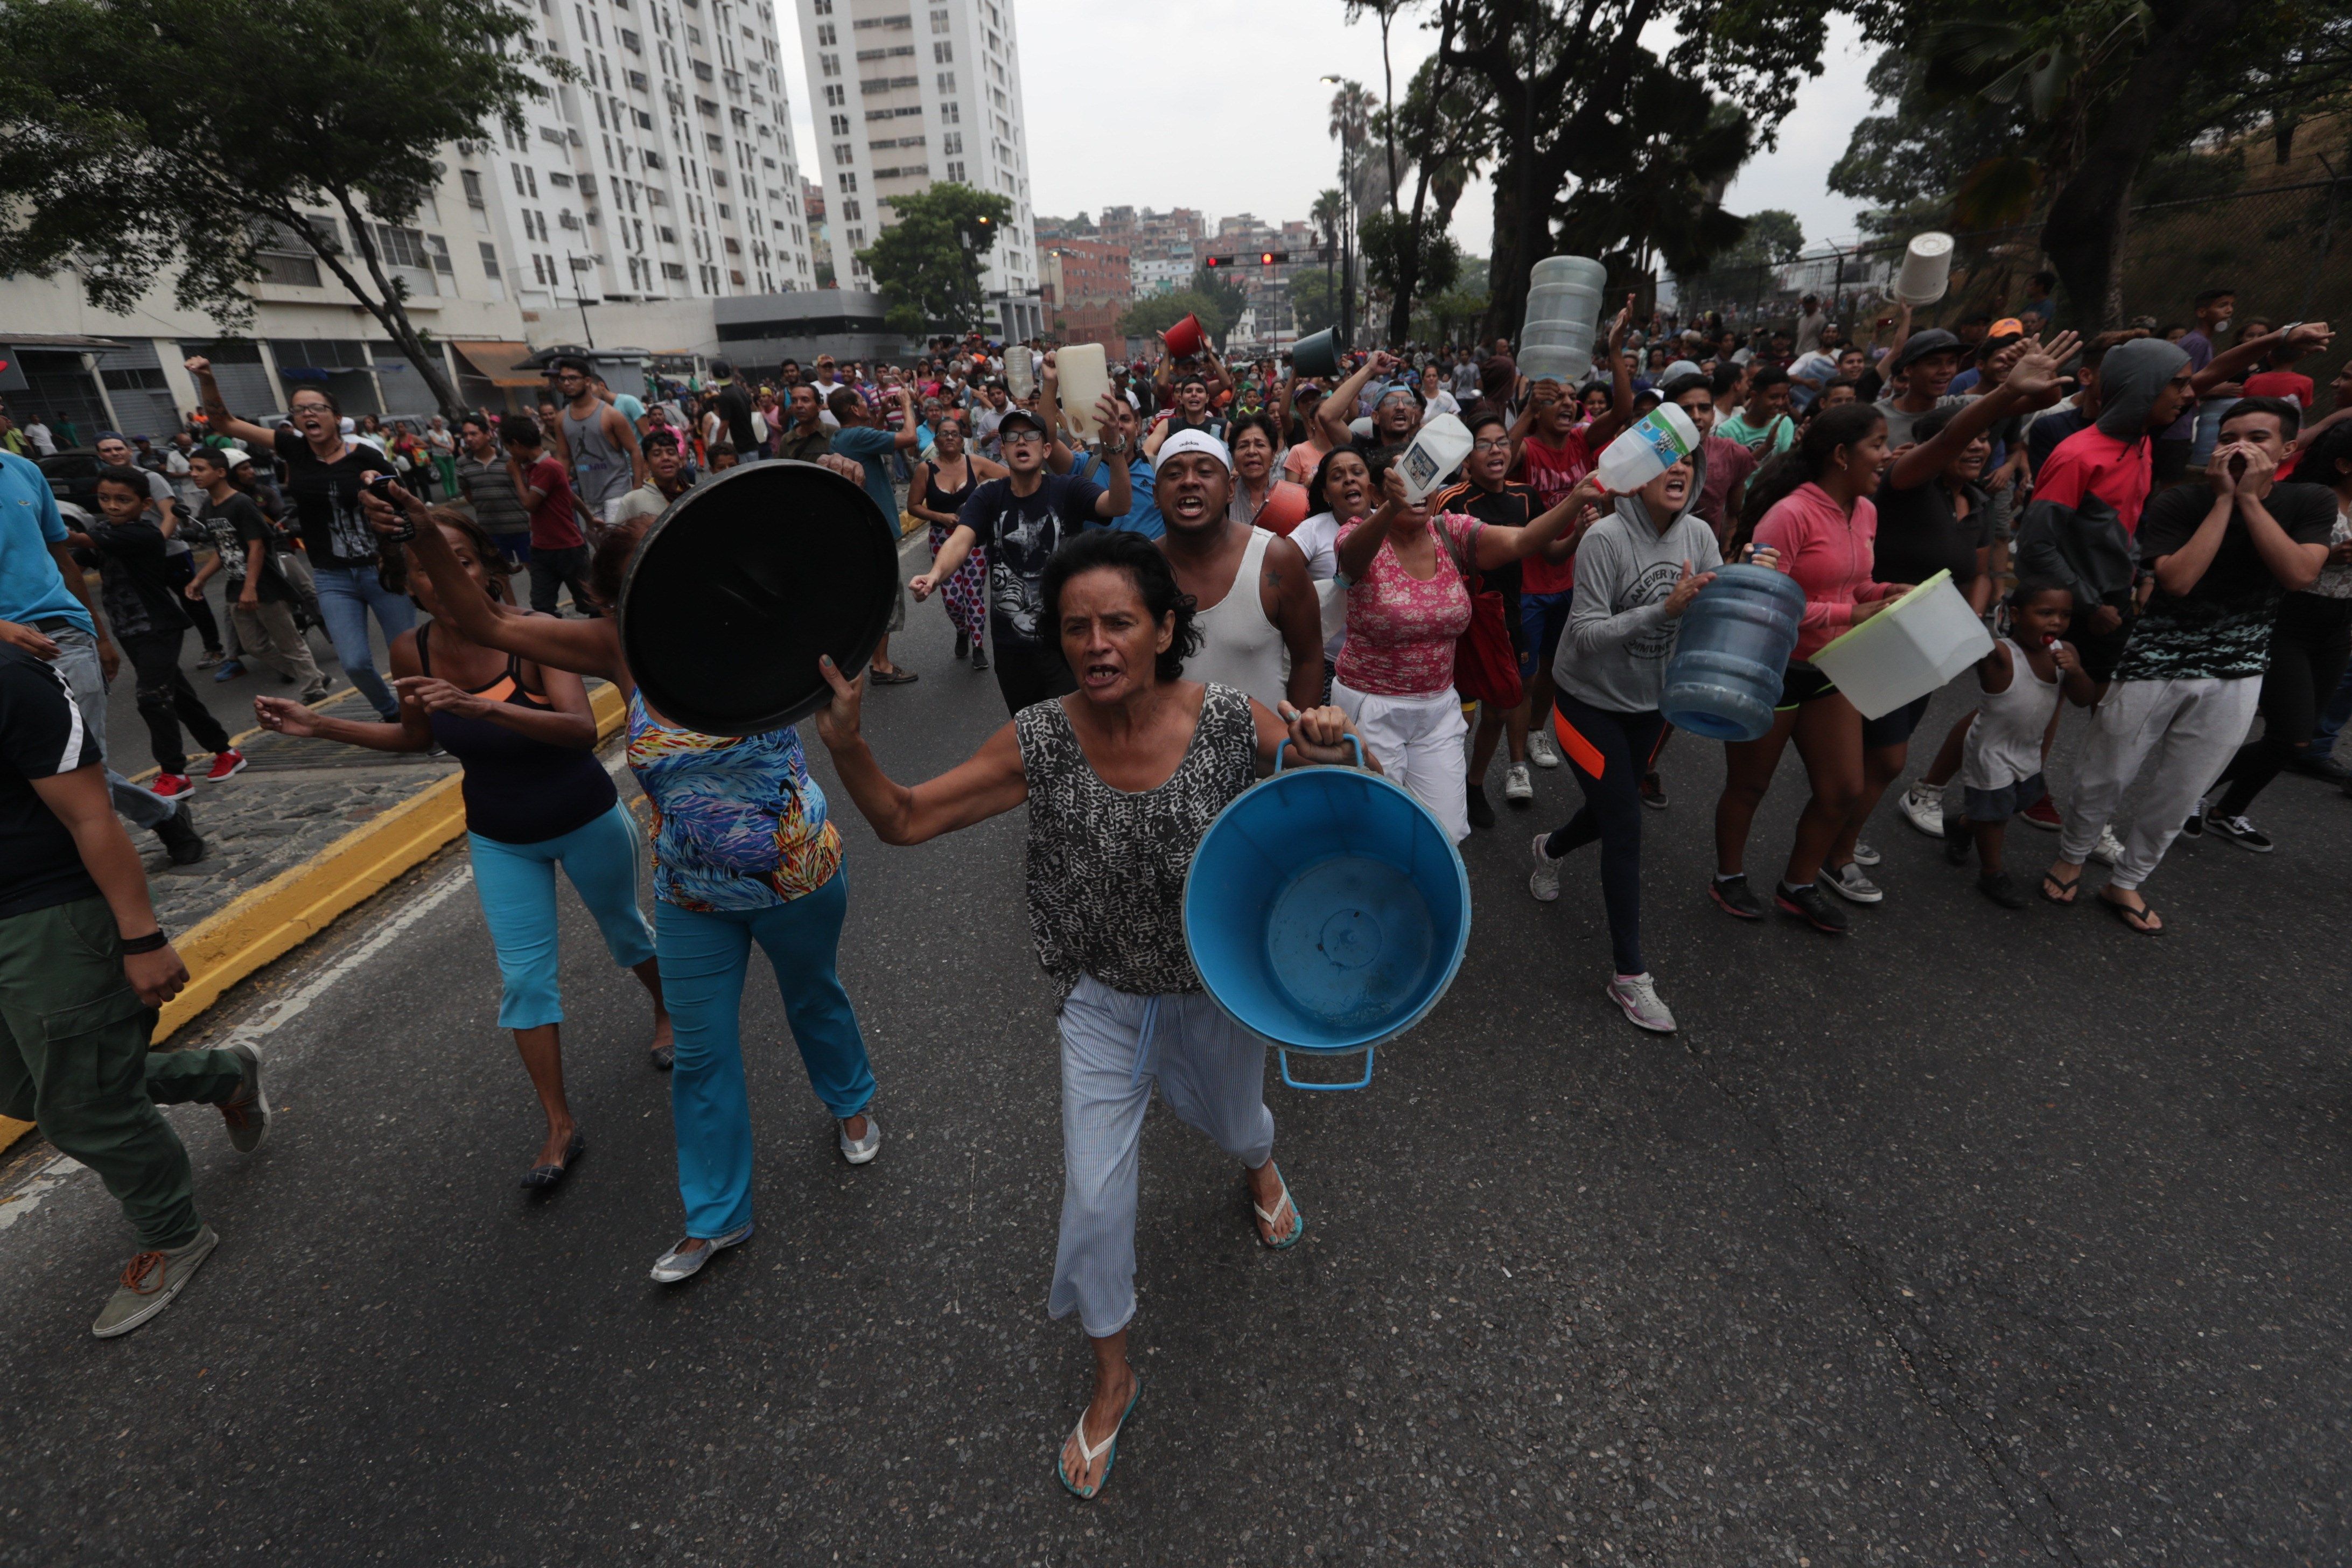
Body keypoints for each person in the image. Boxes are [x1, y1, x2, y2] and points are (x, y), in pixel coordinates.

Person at [811, 528, 1369, 1500]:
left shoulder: (1235, 723)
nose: (1096, 642)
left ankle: (1257, 1157)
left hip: (1214, 992)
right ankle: (1114, 1367)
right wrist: (850, 744)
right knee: (1096, 1196)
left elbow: (1351, 820)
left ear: (1164, 629)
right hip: (1101, 1002)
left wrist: (1334, 747)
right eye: (1076, 627)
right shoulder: (1039, 739)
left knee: (1235, 1121)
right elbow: (902, 820)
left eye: (1119, 621)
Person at [363, 472, 885, 1282]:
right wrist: (419, 530)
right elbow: (485, 616)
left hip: (797, 875)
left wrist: (831, 496)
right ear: (619, 597)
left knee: (813, 999)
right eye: (649, 574)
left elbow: (837, 568)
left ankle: (850, 1102)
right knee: (703, 1055)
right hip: (691, 895)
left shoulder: (767, 622)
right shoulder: (619, 647)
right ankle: (715, 1217)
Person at [254, 510, 669, 1182]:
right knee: (526, 978)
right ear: (409, 582)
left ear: (485, 566)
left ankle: (665, 1008)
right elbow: (417, 738)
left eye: (460, 559)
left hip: (583, 812)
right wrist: (319, 725)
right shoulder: (410, 651)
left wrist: (483, 707)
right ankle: (559, 1123)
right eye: (421, 565)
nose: (442, 576)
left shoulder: (533, 636)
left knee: (626, 931)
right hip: (500, 834)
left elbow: (577, 728)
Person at [0, 635, 265, 1336]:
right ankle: (224, 1074)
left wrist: (140, 932)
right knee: (27, 1091)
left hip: (44, 914)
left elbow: (92, 811)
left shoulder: (11, 678)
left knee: (84, 1109)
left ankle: (176, 1236)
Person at [2042, 400, 2335, 930]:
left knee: (2184, 787)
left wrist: (2251, 502)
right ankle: (2072, 854)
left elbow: (2297, 573)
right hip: (2157, 654)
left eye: (2259, 437)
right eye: (2228, 436)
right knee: (2106, 769)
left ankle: (2126, 881)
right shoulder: (2183, 502)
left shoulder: (2310, 500)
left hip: (2239, 669)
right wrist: (2226, 501)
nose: (2240, 446)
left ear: (2288, 450)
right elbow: (2177, 581)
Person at [1822, 334, 2076, 904]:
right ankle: (1830, 855)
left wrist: (1973, 623)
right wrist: (2004, 393)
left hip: (1929, 646)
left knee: (1876, 762)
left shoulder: (1978, 504)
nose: (1979, 446)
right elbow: (1951, 434)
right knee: (1878, 759)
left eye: (1988, 438)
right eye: (1968, 436)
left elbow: (1978, 571)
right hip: (1875, 634)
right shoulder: (1906, 485)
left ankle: (1840, 838)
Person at [1527, 452, 1724, 1032]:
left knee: (1612, 811)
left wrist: (1748, 579)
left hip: (1650, 708)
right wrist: (1662, 609)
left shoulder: (1700, 533)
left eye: (1689, 462)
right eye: (1666, 462)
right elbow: (1584, 635)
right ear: (1636, 477)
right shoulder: (1605, 539)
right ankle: (1629, 976)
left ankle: (1550, 848)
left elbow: (1711, 609)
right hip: (1586, 705)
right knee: (1625, 824)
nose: (1680, 471)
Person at [1709, 404, 1904, 934]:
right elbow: (1763, 601)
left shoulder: (1865, 511)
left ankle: (1798, 885)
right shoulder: (1790, 514)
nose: (1887, 455)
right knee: (1750, 785)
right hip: (1772, 667)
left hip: (1830, 665)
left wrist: (1885, 593)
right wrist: (1851, 612)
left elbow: (1854, 585)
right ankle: (1728, 875)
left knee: (1843, 786)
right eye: (1877, 444)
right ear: (1842, 455)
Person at [1333, 463, 1594, 840]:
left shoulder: (1450, 530)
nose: (1418, 492)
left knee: (1447, 831)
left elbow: (1522, 542)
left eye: (1427, 483)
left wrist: (1576, 499)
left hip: (1439, 707)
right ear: (1379, 492)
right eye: (1407, 483)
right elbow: (1351, 562)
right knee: (1377, 832)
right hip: (1371, 706)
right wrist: (1390, 508)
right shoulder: (1357, 534)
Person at [186, 359, 414, 722]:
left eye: (317, 408)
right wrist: (208, 380)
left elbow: (405, 506)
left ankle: (425, 720)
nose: (309, 413)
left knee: (408, 659)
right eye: (300, 409)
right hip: (332, 577)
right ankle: (391, 714)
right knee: (355, 663)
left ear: (336, 417)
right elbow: (223, 423)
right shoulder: (293, 449)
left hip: (381, 571)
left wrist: (379, 484)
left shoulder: (366, 456)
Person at [2185, 410, 2352, 846]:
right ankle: (2186, 794)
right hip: (2291, 618)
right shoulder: (2312, 500)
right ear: (2344, 463)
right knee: (2292, 734)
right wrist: (2329, 559)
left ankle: (2229, 810)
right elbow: (2273, 561)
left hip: (2338, 628)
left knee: (2295, 739)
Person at [914, 398, 1132, 714]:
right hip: (1010, 644)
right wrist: (935, 576)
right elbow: (961, 539)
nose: (1021, 442)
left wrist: (1114, 448)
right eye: (1012, 437)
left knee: (1075, 725)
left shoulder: (1068, 488)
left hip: (1067, 638)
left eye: (1031, 436)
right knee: (1027, 727)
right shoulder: (989, 496)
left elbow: (1118, 505)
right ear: (1002, 451)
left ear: (1046, 450)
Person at [74, 468, 243, 796]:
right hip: (129, 630)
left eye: (123, 500)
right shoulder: (106, 530)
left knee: (152, 699)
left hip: (158, 627)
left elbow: (78, 540)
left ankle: (174, 774)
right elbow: (76, 560)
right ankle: (226, 752)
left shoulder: (143, 533)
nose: (112, 506)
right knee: (177, 696)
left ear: (145, 503)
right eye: (104, 499)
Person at [1430, 411, 1563, 823]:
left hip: (1508, 616)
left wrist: (1580, 532)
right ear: (1466, 458)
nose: (1495, 451)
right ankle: (1442, 786)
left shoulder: (1526, 496)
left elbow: (1551, 552)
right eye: (1484, 443)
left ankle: (1474, 785)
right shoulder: (1449, 500)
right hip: (1460, 622)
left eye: (1502, 442)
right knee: (1457, 716)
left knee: (1500, 709)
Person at [1941, 581, 2097, 906]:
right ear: (2016, 614)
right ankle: (1992, 874)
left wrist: (2077, 672)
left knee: (2020, 800)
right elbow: (1964, 642)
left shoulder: (2065, 653)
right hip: (1991, 750)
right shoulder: (2000, 654)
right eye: (2045, 613)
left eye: (2065, 615)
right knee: (1997, 814)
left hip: (2027, 749)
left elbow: (2084, 701)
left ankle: (1963, 824)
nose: (2056, 621)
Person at [1146, 429, 1322, 713]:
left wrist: (1291, 744)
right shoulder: (1140, 570)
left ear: (1230, 489)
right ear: (1156, 495)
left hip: (1263, 755)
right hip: (1168, 754)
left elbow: (1309, 659)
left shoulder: (1275, 558)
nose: (1190, 481)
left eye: (1205, 471)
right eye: (1174, 474)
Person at [186, 446, 327, 702]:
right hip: (236, 584)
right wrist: (200, 578)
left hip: (263, 584)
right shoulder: (210, 506)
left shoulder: (241, 503)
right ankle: (313, 674)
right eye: (191, 469)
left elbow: (257, 546)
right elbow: (223, 549)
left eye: (200, 469)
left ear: (220, 472)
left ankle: (313, 688)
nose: (193, 474)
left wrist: (251, 587)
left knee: (289, 641)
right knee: (253, 645)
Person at [829, 386, 922, 685]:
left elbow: (872, 433)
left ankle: (876, 661)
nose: (868, 405)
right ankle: (881, 665)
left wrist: (881, 413)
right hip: (878, 529)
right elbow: (910, 438)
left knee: (875, 595)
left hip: (866, 529)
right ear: (855, 410)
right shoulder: (857, 437)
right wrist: (907, 404)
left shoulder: (843, 436)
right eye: (864, 403)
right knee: (887, 598)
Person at [906, 409, 1005, 671]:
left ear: (963, 440)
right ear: (936, 441)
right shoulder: (925, 470)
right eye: (944, 434)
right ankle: (962, 630)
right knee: (951, 598)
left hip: (975, 540)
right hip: (941, 539)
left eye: (955, 434)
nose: (950, 438)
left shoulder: (976, 463)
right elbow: (914, 506)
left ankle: (978, 645)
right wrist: (939, 515)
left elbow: (1011, 478)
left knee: (974, 593)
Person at [500, 415, 596, 618]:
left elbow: (530, 504)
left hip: (568, 548)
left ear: (516, 444)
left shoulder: (548, 467)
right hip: (542, 549)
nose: (511, 455)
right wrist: (589, 518)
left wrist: (516, 474)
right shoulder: (535, 468)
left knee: (590, 603)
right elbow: (569, 495)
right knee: (542, 607)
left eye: (509, 449)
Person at [456, 412, 532, 567]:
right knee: (500, 577)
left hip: (520, 527)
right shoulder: (462, 464)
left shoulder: (509, 459)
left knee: (535, 571)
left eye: (474, 434)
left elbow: (525, 488)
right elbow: (468, 493)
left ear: (487, 435)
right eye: (465, 435)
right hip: (490, 532)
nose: (469, 439)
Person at [611, 429, 698, 527]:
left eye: (671, 453)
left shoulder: (695, 493)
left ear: (679, 459)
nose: (665, 458)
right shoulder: (632, 501)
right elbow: (618, 539)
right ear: (647, 463)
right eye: (657, 454)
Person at [1715, 366, 1796, 453]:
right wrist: (1765, 448)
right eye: (1774, 397)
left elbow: (1783, 464)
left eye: (1784, 397)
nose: (1780, 403)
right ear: (1754, 396)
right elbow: (1728, 467)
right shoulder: (1728, 431)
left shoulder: (1784, 423)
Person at [709, 359, 761, 457]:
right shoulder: (740, 390)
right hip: (753, 445)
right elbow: (754, 409)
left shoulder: (724, 396)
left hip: (743, 449)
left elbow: (724, 426)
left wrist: (716, 450)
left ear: (714, 377)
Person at [775, 384, 832, 463]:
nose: (799, 406)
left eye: (805, 400)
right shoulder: (787, 440)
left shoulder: (834, 434)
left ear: (819, 407)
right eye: (794, 401)